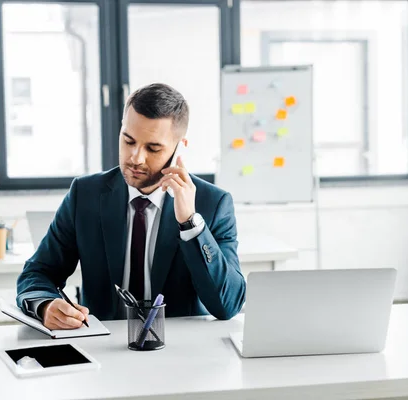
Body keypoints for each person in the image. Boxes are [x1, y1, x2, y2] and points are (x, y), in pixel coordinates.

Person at [16, 83, 246, 329]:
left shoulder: (213, 204)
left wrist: (190, 223)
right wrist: (46, 305)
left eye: (153, 148)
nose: (136, 158)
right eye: (128, 141)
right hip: (103, 348)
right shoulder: (85, 194)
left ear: (179, 148)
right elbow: (37, 272)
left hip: (179, 354)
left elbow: (228, 305)